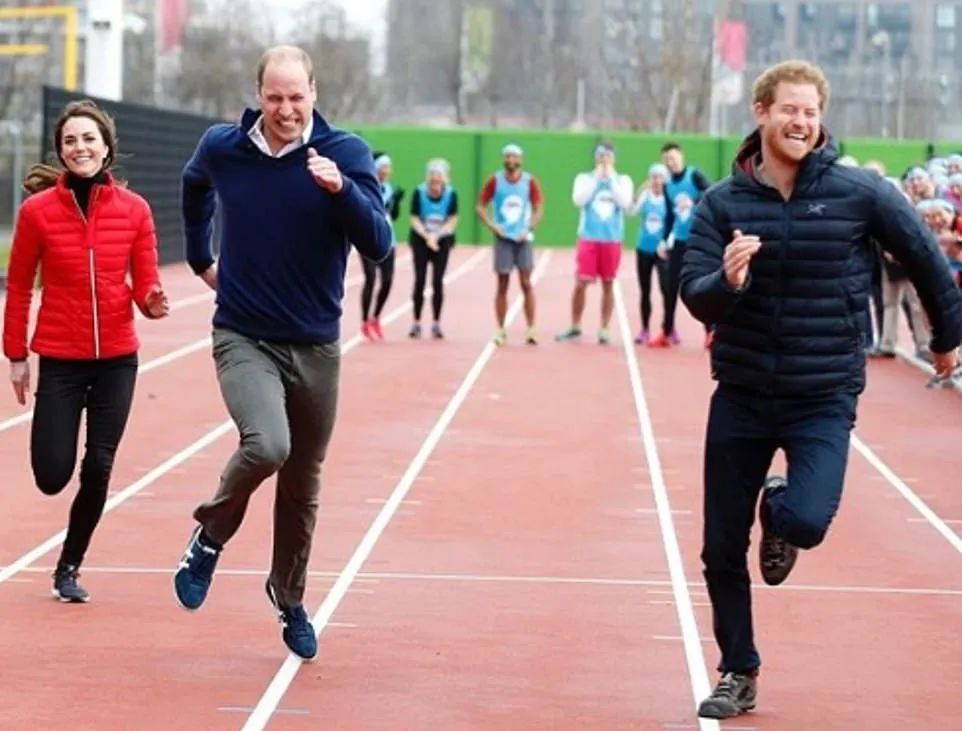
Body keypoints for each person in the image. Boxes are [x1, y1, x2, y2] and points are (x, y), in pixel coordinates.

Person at [679, 60, 962, 720]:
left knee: (806, 518)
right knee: (721, 544)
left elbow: (923, 255)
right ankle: (738, 669)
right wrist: (726, 281)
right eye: (789, 109)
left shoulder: (859, 193)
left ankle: (779, 507)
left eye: (811, 111)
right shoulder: (723, 203)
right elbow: (695, 294)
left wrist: (947, 337)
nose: (801, 120)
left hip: (823, 393)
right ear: (761, 112)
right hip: (743, 392)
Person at [174, 45, 392, 660]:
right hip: (243, 332)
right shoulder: (226, 146)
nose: (286, 109)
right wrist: (199, 255)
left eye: (296, 97)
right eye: (275, 97)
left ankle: (289, 597)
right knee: (267, 444)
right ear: (258, 95)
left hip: (317, 344)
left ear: (314, 94)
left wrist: (341, 189)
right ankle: (210, 536)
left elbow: (378, 243)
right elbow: (195, 186)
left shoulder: (344, 153)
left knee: (303, 480)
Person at [2, 99, 169, 603]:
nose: (80, 147)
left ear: (106, 148)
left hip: (117, 357)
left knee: (98, 464)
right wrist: (15, 356)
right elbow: (19, 289)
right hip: (60, 357)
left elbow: (146, 281)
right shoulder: (36, 213)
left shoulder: (135, 210)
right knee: (52, 475)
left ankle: (69, 564)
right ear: (60, 150)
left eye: (89, 139)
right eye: (71, 140)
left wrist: (153, 301)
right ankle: (64, 530)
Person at [555, 142, 633, 345]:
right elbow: (579, 200)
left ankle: (604, 327)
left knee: (608, 283)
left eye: (608, 156)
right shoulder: (584, 179)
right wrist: (597, 178)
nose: (604, 160)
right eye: (601, 156)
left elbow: (625, 202)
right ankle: (575, 325)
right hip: (589, 238)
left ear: (614, 158)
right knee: (581, 283)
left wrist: (611, 179)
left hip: (612, 239)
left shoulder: (623, 180)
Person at [475, 143, 544, 346]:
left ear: (520, 160)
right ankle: (500, 329)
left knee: (526, 282)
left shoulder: (529, 182)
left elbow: (539, 207)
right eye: (507, 157)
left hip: (523, 238)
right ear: (503, 159)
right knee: (502, 284)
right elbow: (480, 206)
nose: (511, 161)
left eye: (514, 157)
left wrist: (529, 228)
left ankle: (531, 328)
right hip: (503, 238)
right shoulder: (495, 181)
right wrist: (492, 226)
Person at [652, 141, 712, 348]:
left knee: (702, 288)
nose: (671, 162)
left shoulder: (695, 175)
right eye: (668, 159)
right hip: (678, 241)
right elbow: (669, 216)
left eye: (674, 157)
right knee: (671, 287)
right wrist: (663, 239)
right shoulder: (668, 186)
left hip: (698, 240)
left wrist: (693, 202)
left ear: (681, 156)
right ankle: (666, 331)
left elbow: (711, 194)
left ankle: (710, 332)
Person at [408, 158, 458, 339]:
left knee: (438, 281)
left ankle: (437, 322)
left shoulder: (451, 194)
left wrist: (437, 236)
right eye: (433, 180)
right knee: (420, 280)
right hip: (421, 239)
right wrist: (427, 236)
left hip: (442, 240)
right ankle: (416, 322)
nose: (435, 184)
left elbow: (452, 218)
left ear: (445, 180)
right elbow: (413, 218)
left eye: (439, 180)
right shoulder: (419, 192)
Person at [361, 152, 403, 340]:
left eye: (388, 167)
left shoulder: (390, 189)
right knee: (370, 279)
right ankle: (364, 321)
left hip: (388, 239)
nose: (386, 171)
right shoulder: (367, 187)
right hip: (368, 238)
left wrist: (397, 204)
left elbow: (392, 216)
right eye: (383, 167)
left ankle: (376, 317)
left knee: (387, 281)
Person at [630, 163, 671, 345]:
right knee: (645, 290)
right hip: (644, 249)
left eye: (660, 177)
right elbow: (631, 211)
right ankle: (645, 328)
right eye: (654, 177)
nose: (657, 181)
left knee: (666, 289)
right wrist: (639, 191)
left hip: (662, 251)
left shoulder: (669, 198)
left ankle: (669, 328)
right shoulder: (645, 196)